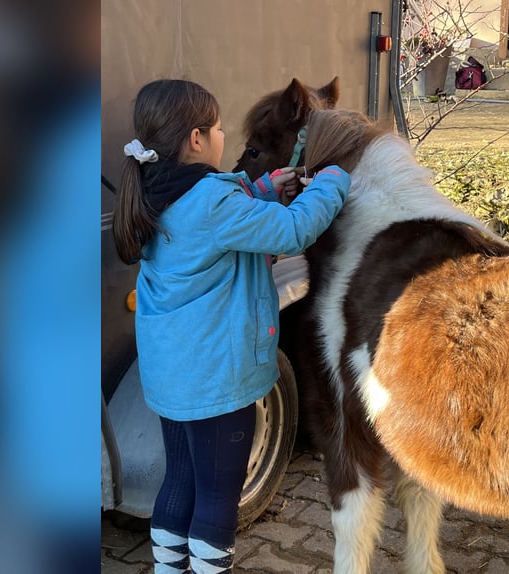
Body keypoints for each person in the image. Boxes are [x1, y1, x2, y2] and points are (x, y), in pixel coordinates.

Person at [112, 79, 350, 574]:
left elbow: (212, 226)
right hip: (218, 381)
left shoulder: (155, 191)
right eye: (219, 128)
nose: (225, 137)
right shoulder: (214, 204)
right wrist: (332, 180)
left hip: (173, 376)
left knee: (180, 479)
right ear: (197, 140)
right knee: (219, 496)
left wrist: (263, 188)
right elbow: (293, 229)